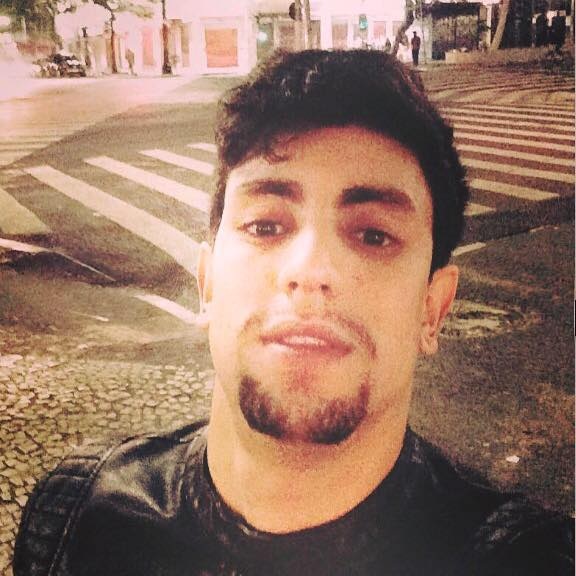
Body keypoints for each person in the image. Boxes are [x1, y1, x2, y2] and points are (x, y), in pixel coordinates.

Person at [14, 50, 573, 576]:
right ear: (207, 285)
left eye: (374, 235)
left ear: (433, 309)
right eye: (265, 226)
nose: (310, 270)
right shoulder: (75, 520)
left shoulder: (521, 559)